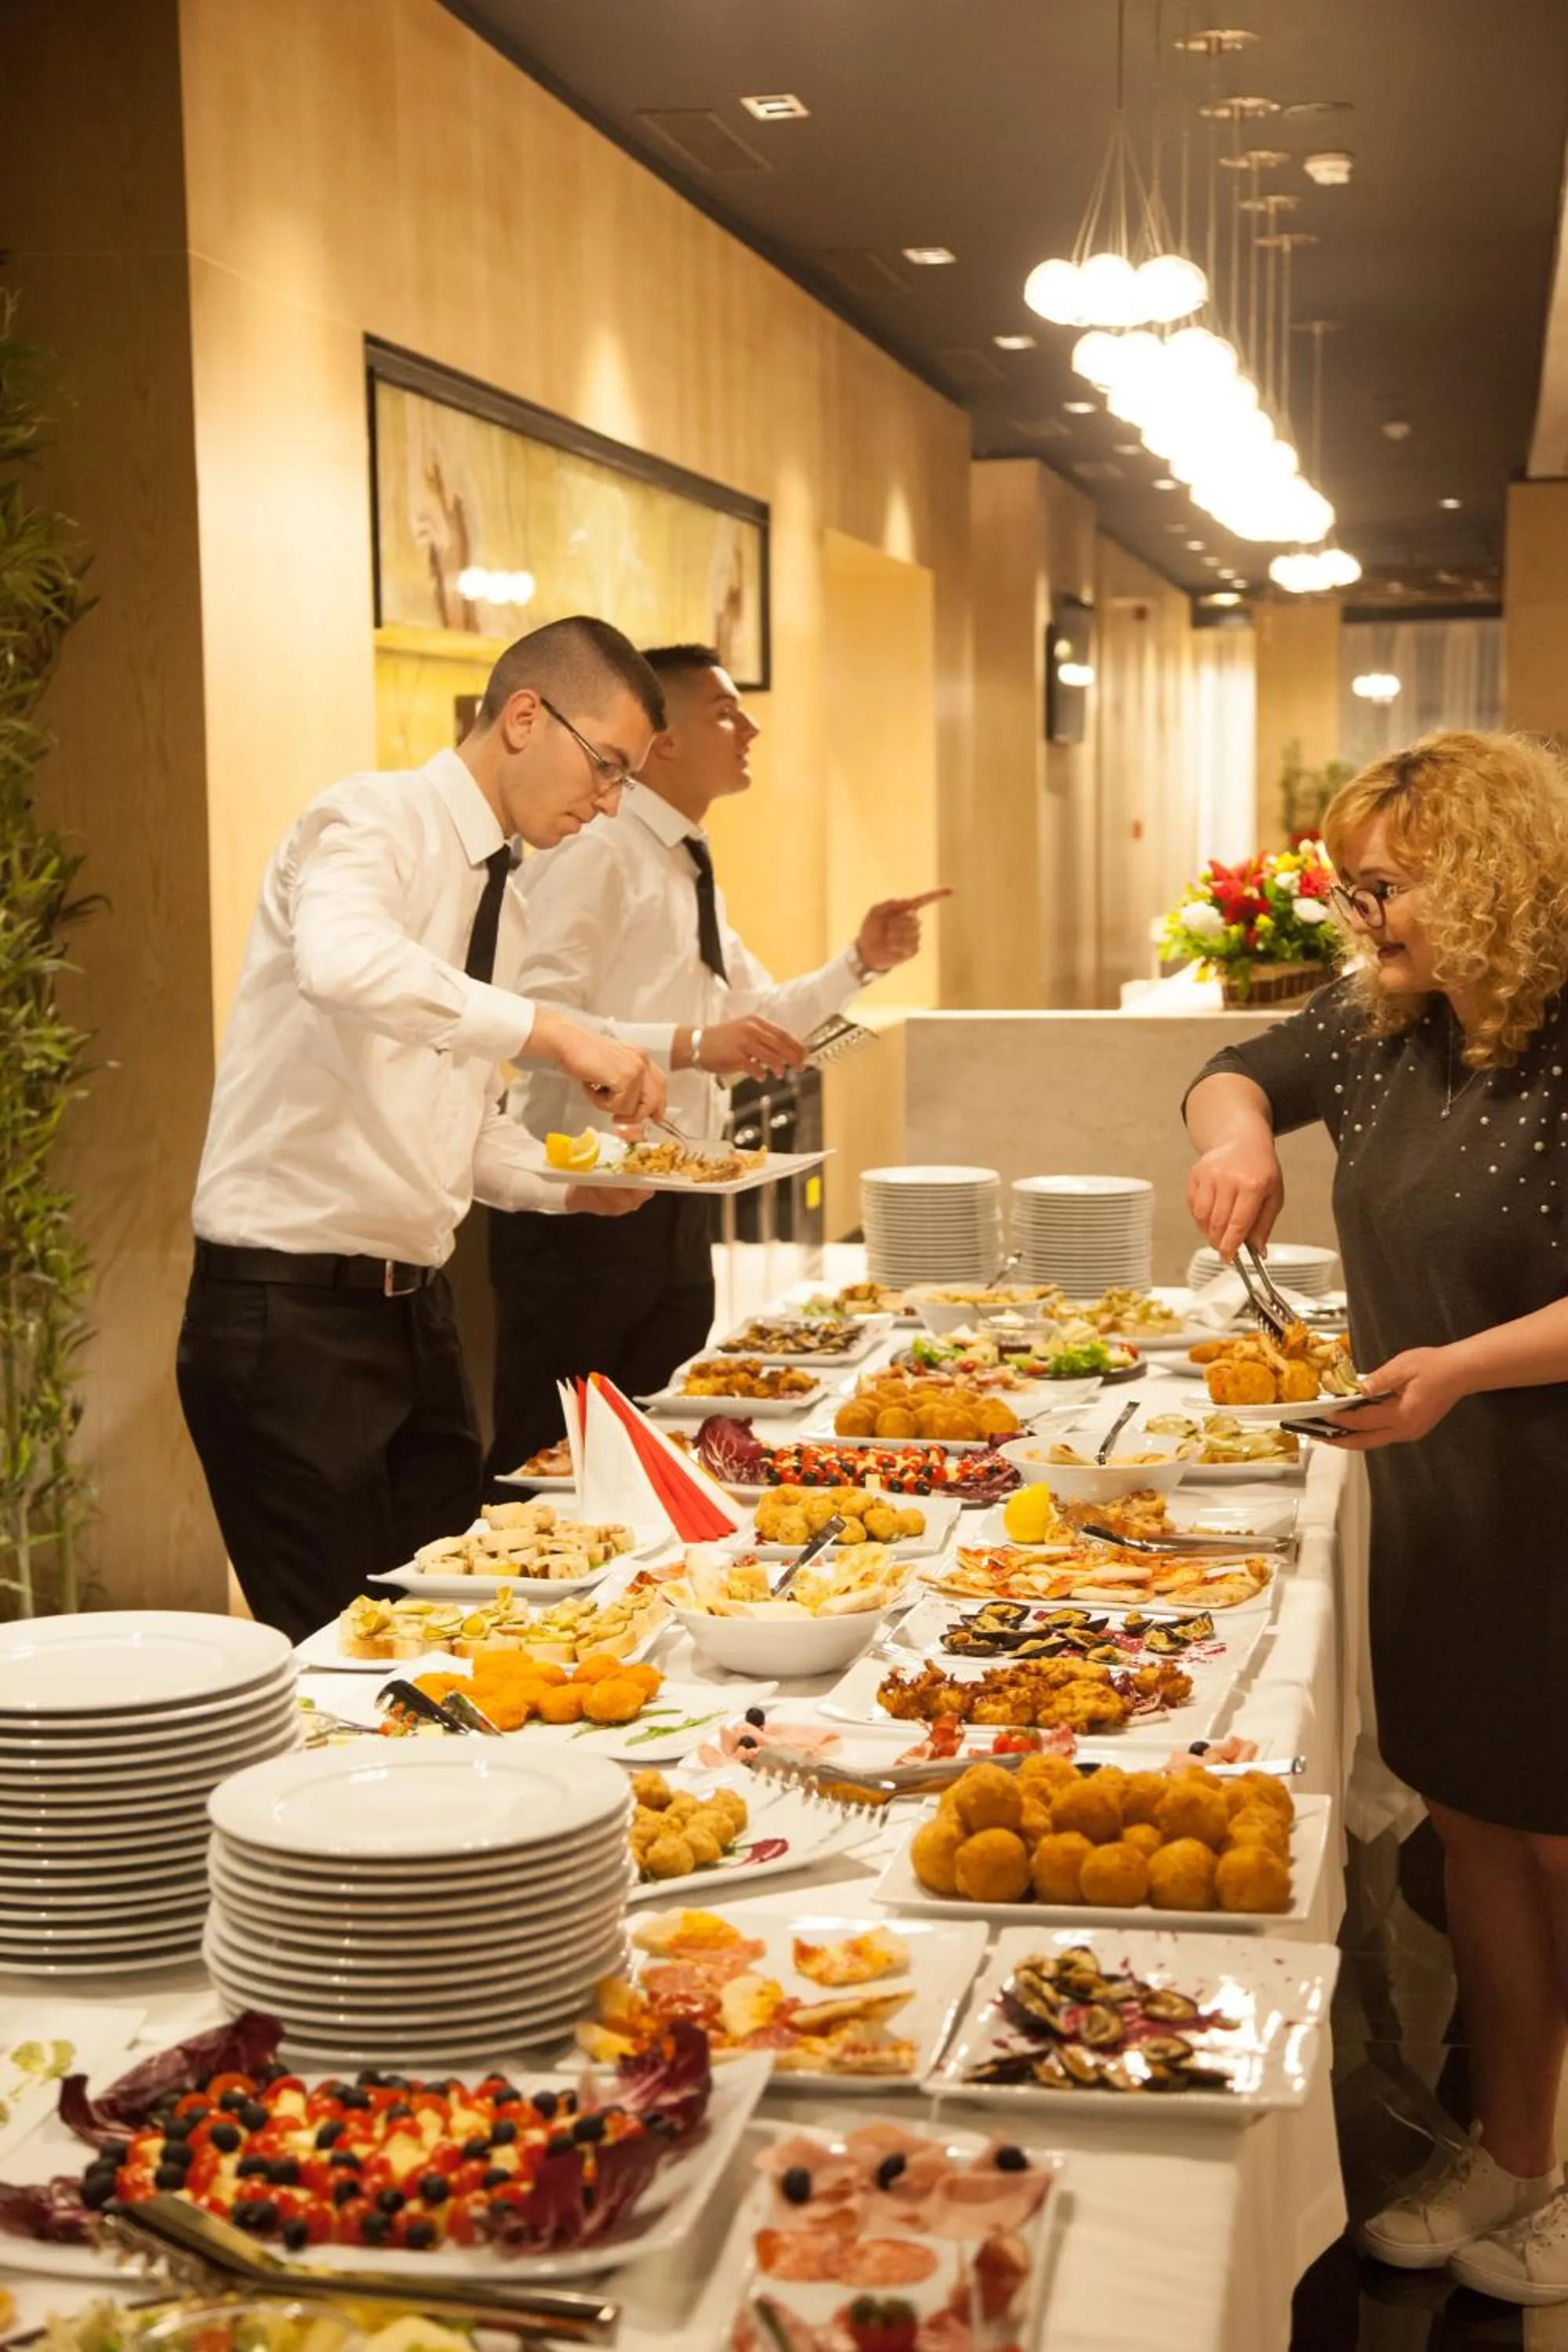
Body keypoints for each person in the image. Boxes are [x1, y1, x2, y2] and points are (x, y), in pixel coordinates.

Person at [1182, 730, 1568, 2304]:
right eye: (1348, 890)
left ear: (1486, 876)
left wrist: (1459, 1371)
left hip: (1546, 1488)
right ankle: (1518, 2151)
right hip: (1440, 1497)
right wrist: (1228, 1141)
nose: (1359, 919)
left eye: (1386, 887)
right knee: (1475, 1831)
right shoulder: (1385, 1026)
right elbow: (1234, 1074)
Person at [178, 615, 668, 1645]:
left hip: (414, 1318)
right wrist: (555, 1034)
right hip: (288, 1315)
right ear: (526, 717)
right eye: (608, 767)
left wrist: (564, 1187)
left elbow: (458, 1124)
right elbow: (344, 965)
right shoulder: (369, 819)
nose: (610, 803)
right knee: (347, 1664)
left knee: (459, 1637)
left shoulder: (510, 907)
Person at [484, 642, 949, 1477]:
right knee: (555, 1461)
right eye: (726, 712)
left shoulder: (682, 857)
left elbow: (753, 1018)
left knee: (657, 1442)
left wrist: (859, 961)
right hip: (579, 1205)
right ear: (660, 740)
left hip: (673, 1195)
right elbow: (537, 1019)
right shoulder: (597, 848)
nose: (752, 726)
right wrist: (692, 1046)